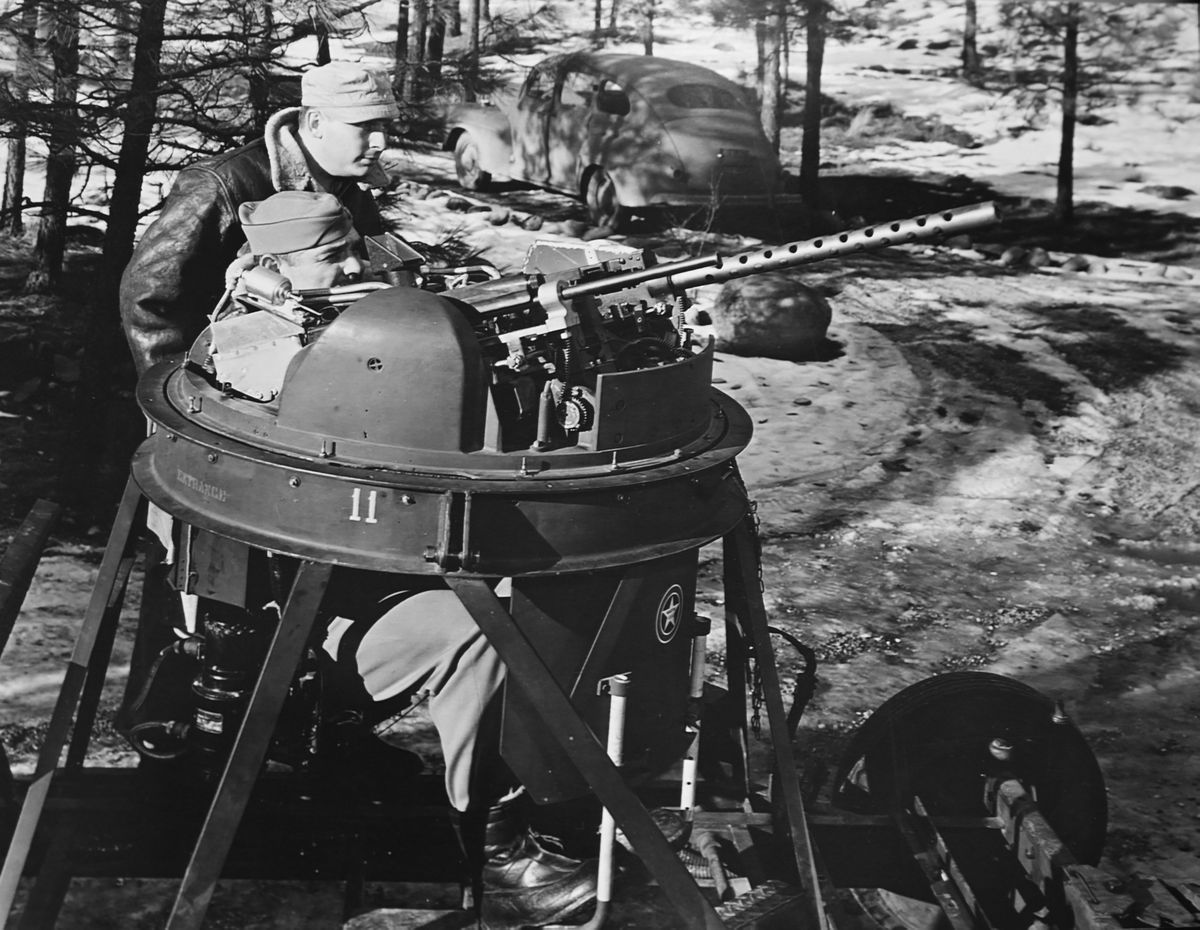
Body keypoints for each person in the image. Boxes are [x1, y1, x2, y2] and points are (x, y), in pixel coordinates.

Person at [177, 190, 603, 929]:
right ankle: (495, 852)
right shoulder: (252, 345)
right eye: (330, 258)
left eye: (351, 249)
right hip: (291, 637)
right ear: (273, 269)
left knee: (517, 598)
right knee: (475, 628)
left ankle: (540, 798)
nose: (353, 265)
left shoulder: (334, 320)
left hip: (349, 586)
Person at [119, 60, 398, 378]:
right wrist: (184, 388)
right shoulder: (222, 183)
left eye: (384, 127)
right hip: (231, 386)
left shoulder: (351, 183)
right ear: (317, 123)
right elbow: (150, 297)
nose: (381, 143)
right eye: (364, 126)